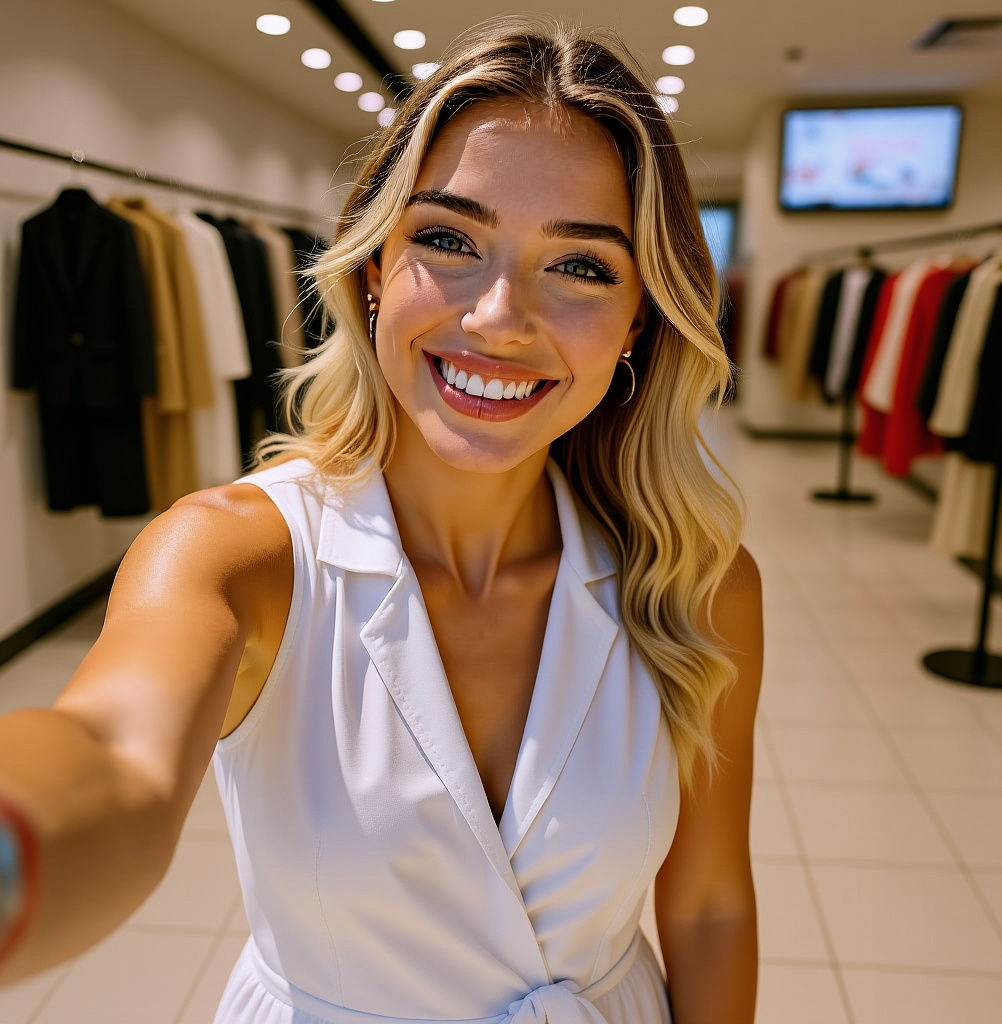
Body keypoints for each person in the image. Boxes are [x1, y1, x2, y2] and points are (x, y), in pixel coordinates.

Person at [0, 15, 762, 1023]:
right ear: (371, 270)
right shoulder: (241, 555)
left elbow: (709, 904)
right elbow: (112, 762)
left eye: (580, 265)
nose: (497, 318)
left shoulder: (696, 584)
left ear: (639, 322)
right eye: (448, 240)